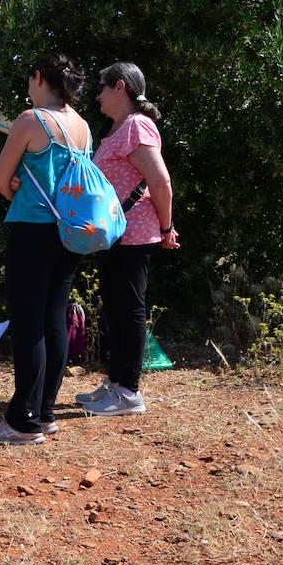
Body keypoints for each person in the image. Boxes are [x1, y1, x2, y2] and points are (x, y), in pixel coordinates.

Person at [0, 53, 91, 445]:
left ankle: (22, 423)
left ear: (38, 77)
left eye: (29, 80)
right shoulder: (82, 125)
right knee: (52, 319)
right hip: (69, 231)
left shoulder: (31, 120)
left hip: (32, 229)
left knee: (28, 323)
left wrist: (12, 188)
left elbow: (0, 179)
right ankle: (44, 413)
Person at [77, 62, 180, 416]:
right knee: (116, 309)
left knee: (129, 310)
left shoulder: (137, 126)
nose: (97, 95)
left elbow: (161, 181)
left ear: (120, 87)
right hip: (116, 236)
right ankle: (116, 383)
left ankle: (129, 393)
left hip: (134, 234)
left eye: (102, 87)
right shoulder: (119, 129)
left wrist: (167, 229)